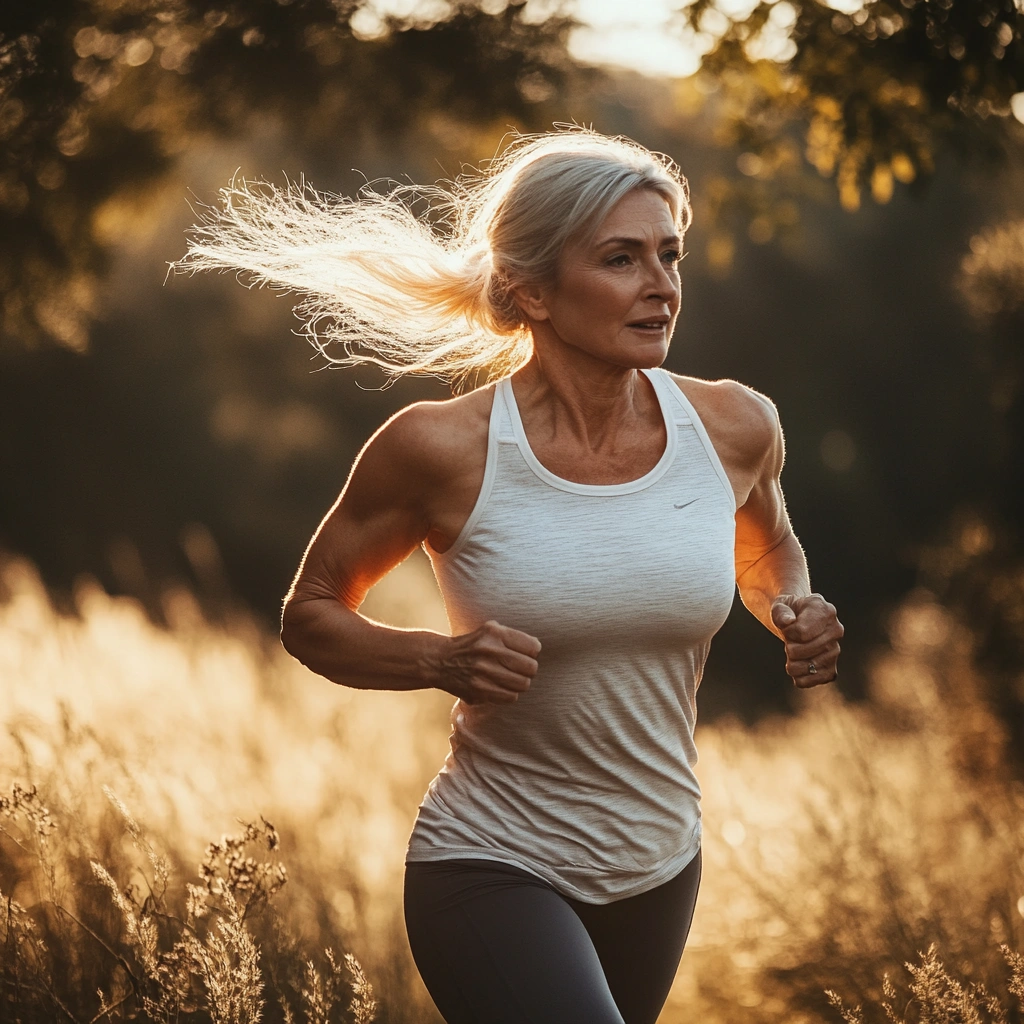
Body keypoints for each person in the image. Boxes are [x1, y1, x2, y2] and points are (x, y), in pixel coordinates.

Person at [175, 128, 843, 1024]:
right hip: (492, 860)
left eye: (668, 255)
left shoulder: (733, 426)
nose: (661, 284)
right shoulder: (440, 447)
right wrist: (436, 661)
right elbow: (312, 612)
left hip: (660, 861)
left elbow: (763, 548)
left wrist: (792, 610)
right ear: (531, 289)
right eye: (620, 258)